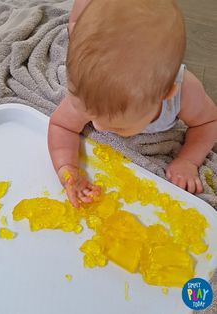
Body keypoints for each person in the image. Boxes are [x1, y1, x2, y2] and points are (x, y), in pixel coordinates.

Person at [48, 0, 217, 208]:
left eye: (118, 126)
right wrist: (67, 168)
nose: (97, 126)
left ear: (165, 94)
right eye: (90, 115)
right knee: (78, 24)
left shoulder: (185, 93)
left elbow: (208, 122)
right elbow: (61, 125)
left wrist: (188, 160)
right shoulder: (88, 90)